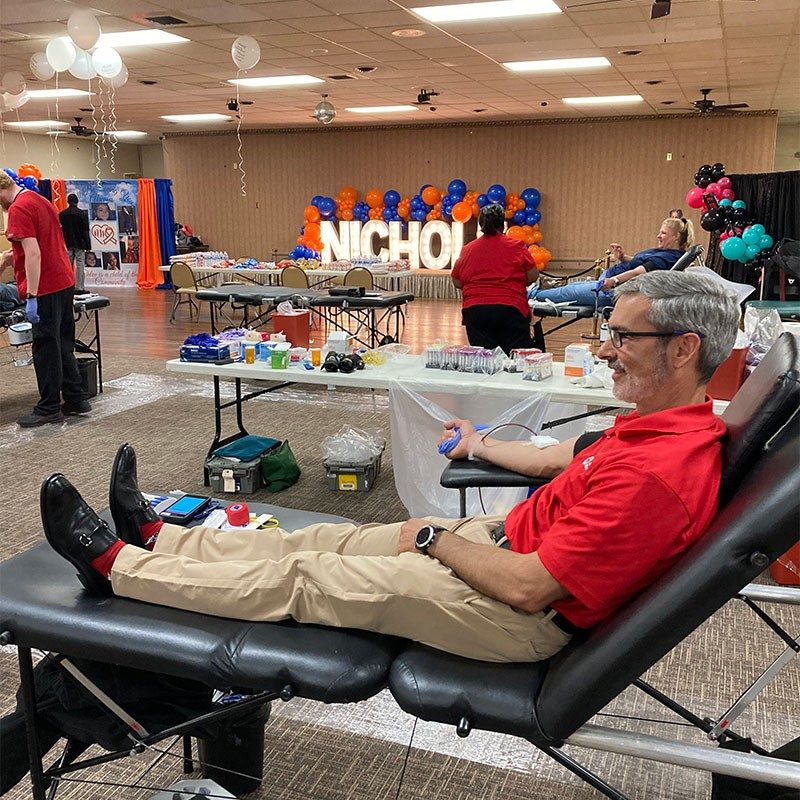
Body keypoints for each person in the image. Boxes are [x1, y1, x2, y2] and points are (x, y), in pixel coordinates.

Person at [42, 271, 740, 664]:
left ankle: (117, 567)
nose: (608, 348)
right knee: (317, 538)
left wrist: (437, 541)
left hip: (516, 615)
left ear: (682, 351)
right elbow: (556, 456)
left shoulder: (658, 476)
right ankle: (164, 537)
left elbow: (531, 590)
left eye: (622, 336)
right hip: (500, 551)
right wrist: (476, 446)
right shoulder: (655, 426)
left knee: (306, 576)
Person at [0, 171, 91, 427]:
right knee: (63, 342)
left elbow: (33, 254)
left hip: (45, 285)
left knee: (45, 346)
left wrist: (31, 295)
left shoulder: (18, 208)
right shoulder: (40, 199)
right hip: (64, 279)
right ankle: (75, 397)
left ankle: (49, 406)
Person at [529, 217, 694, 308]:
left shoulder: (669, 257)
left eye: (663, 233)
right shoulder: (664, 253)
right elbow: (640, 263)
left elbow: (640, 271)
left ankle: (529, 295)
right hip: (609, 284)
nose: (658, 236)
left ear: (676, 237)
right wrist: (622, 257)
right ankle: (537, 290)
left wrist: (613, 280)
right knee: (570, 288)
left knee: (565, 294)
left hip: (613, 292)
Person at [451, 203, 539, 354]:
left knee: (486, 361)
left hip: (476, 311)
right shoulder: (516, 245)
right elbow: (533, 275)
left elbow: (456, 281)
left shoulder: (468, 249)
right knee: (516, 360)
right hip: (511, 309)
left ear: (481, 225)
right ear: (503, 225)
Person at [59, 194, 91, 292]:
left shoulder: (62, 214)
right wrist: (88, 244)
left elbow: (60, 230)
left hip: (67, 242)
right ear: (77, 202)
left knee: (68, 265)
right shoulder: (82, 214)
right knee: (80, 264)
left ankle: (68, 287)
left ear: (68, 201)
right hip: (80, 243)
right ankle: (79, 287)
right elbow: (85, 231)